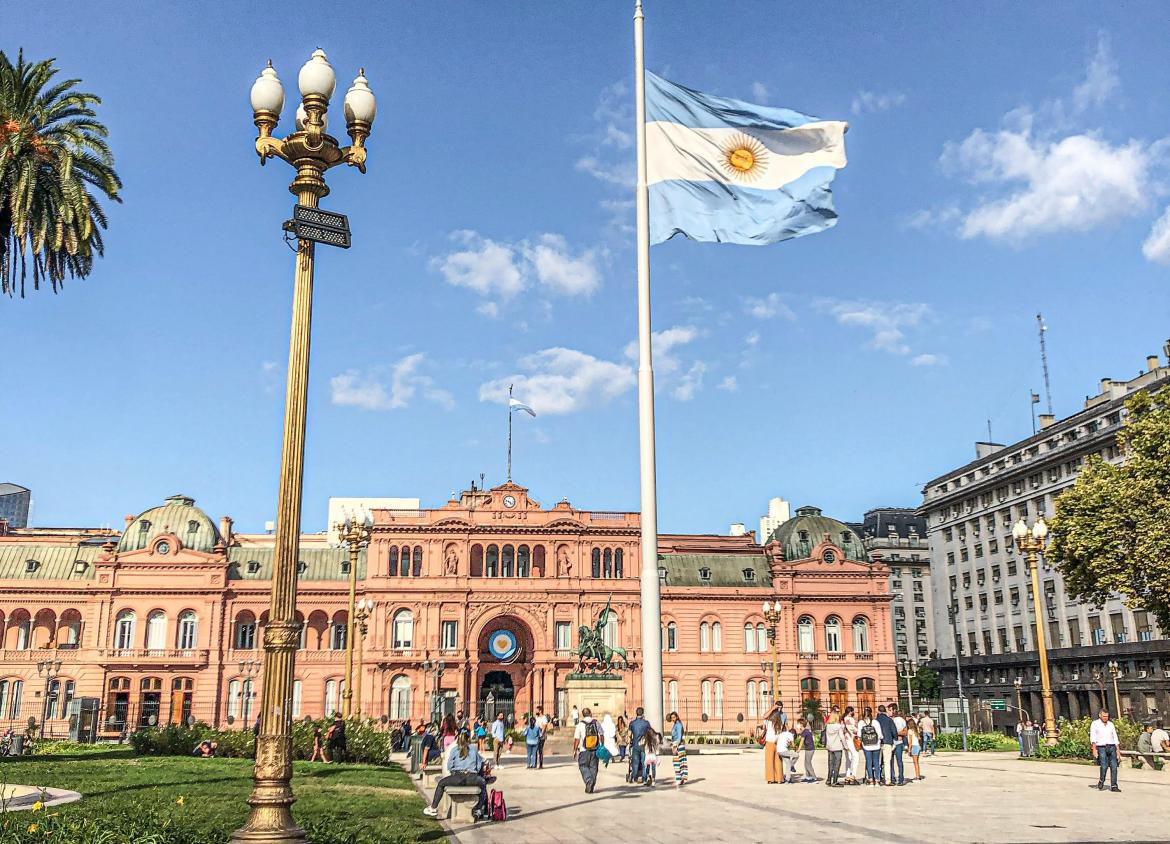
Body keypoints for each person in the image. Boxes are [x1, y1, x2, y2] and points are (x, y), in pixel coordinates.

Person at [423, 731, 488, 819]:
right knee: (483, 783)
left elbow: (449, 766)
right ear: (468, 739)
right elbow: (479, 765)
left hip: (458, 777)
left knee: (441, 783)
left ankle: (433, 807)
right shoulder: (474, 748)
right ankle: (478, 808)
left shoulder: (454, 749)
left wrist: (455, 771)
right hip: (472, 777)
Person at [1090, 709, 1120, 792]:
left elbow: (1115, 737)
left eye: (1107, 716)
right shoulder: (1095, 724)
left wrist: (1118, 750)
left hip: (1111, 746)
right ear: (1100, 716)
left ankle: (1114, 785)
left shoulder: (1111, 724)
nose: (1105, 718)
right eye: (1104, 716)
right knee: (1104, 766)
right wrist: (1094, 750)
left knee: (1114, 766)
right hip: (1101, 747)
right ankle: (1101, 780)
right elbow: (1093, 737)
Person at [573, 707, 601, 793]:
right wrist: (602, 745)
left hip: (584, 749)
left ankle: (588, 780)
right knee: (594, 767)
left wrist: (574, 750)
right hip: (595, 749)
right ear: (590, 713)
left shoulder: (580, 725)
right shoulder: (596, 723)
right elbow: (602, 734)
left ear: (582, 715)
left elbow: (577, 739)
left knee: (583, 766)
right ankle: (591, 784)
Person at [859, 707, 882, 787]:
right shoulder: (875, 722)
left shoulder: (861, 723)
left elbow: (859, 735)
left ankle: (871, 780)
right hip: (876, 745)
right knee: (876, 762)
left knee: (869, 762)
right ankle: (877, 780)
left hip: (866, 746)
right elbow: (880, 735)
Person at [628, 707, 651, 783]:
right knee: (644, 762)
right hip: (644, 745)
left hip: (635, 745)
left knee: (635, 762)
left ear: (636, 713)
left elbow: (629, 735)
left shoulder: (632, 723)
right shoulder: (646, 723)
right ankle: (644, 777)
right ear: (643, 713)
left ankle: (634, 777)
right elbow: (650, 733)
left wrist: (630, 742)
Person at [875, 704, 896, 786]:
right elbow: (894, 731)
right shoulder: (889, 720)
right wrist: (895, 738)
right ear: (885, 711)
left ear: (878, 711)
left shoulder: (876, 720)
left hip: (877, 742)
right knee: (887, 762)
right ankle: (888, 780)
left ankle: (877, 778)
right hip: (888, 741)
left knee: (878, 762)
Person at [825, 712, 845, 787]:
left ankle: (829, 779)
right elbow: (842, 737)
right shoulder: (838, 726)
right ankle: (835, 781)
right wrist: (845, 746)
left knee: (830, 764)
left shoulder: (828, 726)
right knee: (837, 764)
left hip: (830, 747)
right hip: (837, 747)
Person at [669, 711, 689, 787]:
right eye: (672, 718)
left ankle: (680, 779)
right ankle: (680, 779)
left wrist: (675, 746)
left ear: (677, 717)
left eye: (674, 717)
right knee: (677, 763)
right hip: (676, 745)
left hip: (679, 746)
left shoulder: (678, 725)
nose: (673, 719)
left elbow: (679, 737)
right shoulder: (675, 725)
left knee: (678, 763)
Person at [776, 719, 799, 784]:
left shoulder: (783, 733)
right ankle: (792, 766)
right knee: (797, 755)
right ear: (793, 734)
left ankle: (788, 779)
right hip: (783, 750)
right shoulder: (791, 735)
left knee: (788, 764)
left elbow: (779, 741)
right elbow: (793, 745)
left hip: (779, 751)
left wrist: (787, 744)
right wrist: (796, 748)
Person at [890, 704, 908, 786]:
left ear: (894, 710)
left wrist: (895, 734)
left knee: (898, 761)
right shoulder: (889, 719)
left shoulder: (900, 720)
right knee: (891, 762)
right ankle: (893, 778)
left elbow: (905, 732)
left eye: (890, 710)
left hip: (897, 743)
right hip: (892, 743)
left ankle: (900, 778)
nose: (889, 712)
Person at [841, 706, 859, 785]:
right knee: (855, 756)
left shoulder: (842, 719)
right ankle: (853, 775)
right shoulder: (851, 719)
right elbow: (855, 730)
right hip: (851, 740)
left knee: (848, 758)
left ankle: (847, 776)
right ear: (851, 712)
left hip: (845, 740)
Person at [763, 712, 782, 784]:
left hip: (769, 742)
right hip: (778, 743)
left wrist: (773, 708)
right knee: (778, 761)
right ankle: (779, 779)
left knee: (769, 761)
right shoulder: (780, 723)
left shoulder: (768, 722)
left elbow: (764, 716)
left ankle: (770, 779)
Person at [797, 718, 816, 783]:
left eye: (798, 724)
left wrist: (799, 749)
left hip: (810, 749)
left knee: (808, 764)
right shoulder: (806, 731)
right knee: (806, 763)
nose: (797, 725)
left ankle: (814, 778)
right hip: (809, 749)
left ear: (801, 724)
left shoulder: (805, 732)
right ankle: (808, 777)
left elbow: (801, 741)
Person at [906, 716, 923, 781]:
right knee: (917, 762)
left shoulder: (910, 731)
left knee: (915, 762)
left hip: (913, 746)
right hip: (918, 746)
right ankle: (918, 775)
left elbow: (910, 741)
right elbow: (919, 739)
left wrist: (909, 750)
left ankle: (917, 776)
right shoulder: (917, 729)